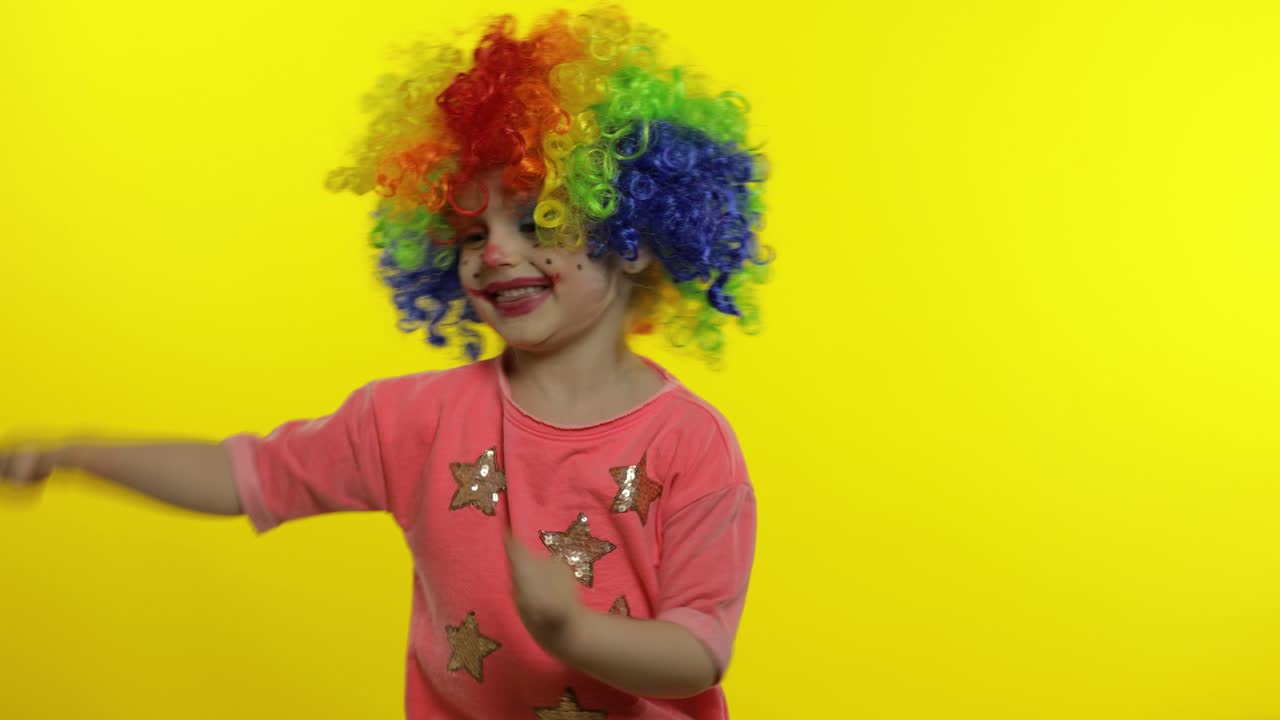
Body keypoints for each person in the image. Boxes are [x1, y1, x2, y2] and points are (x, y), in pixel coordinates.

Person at [0, 5, 771, 718]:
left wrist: (569, 629)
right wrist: (77, 453)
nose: (496, 252)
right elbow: (246, 475)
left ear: (632, 240)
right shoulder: (415, 418)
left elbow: (699, 653)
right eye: (471, 232)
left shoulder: (690, 444)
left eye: (538, 219)